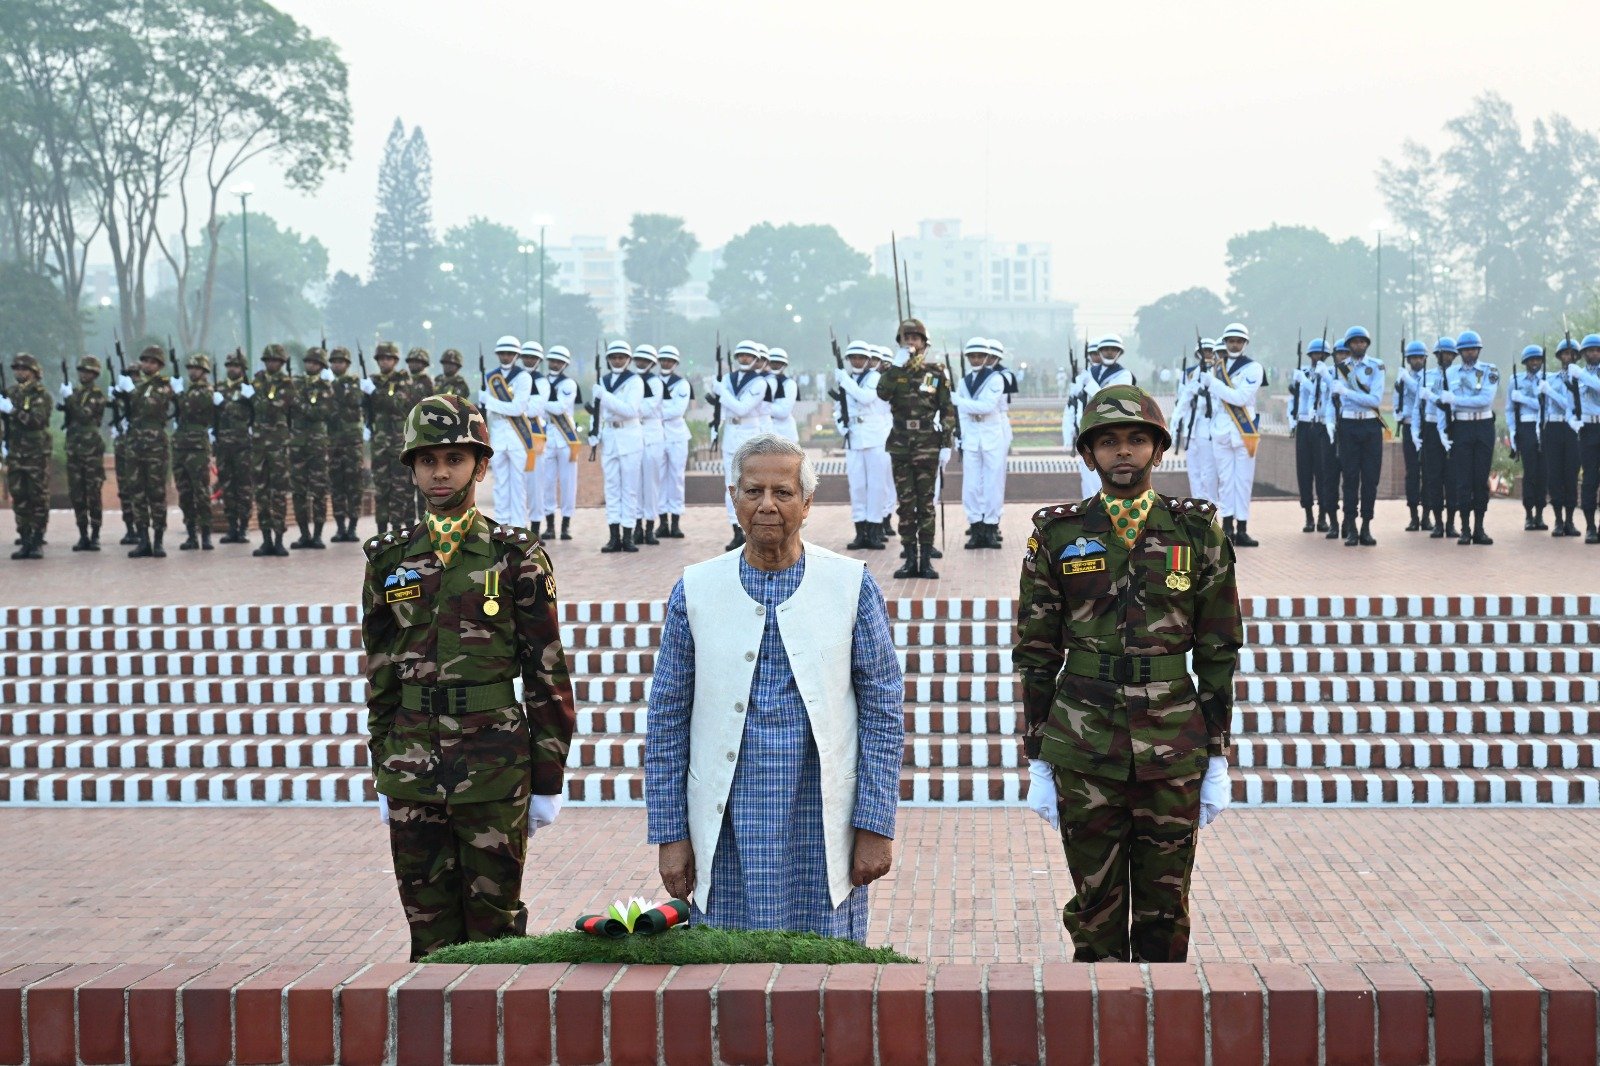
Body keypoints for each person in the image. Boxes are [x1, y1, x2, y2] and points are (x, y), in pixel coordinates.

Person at [645, 433, 903, 941]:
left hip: (823, 818)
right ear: (732, 499)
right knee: (730, 981)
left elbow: (883, 708)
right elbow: (667, 717)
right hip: (727, 822)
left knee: (824, 981)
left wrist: (876, 825)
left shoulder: (851, 584)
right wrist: (670, 834)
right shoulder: (696, 589)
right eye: (752, 491)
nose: (767, 505)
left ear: (807, 503)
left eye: (782, 493)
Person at [1014, 384, 1241, 962]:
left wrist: (1217, 755)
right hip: (1082, 741)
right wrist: (1039, 755)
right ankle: (1099, 1033)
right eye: (1108, 441)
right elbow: (1036, 652)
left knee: (1166, 912)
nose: (1123, 452)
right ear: (1088, 453)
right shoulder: (1058, 533)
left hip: (1175, 741)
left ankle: (1161, 1038)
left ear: (1158, 450)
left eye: (1137, 440)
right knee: (1095, 911)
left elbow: (1219, 648)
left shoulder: (1197, 531)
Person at [362, 394, 576, 962]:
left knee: (496, 934)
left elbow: (547, 673)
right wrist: (382, 764)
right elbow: (380, 672)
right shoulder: (389, 559)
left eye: (454, 458)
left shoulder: (515, 555)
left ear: (480, 466)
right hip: (410, 766)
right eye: (427, 459)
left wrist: (547, 779)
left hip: (493, 768)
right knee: (427, 934)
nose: (440, 472)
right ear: (410, 466)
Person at [877, 318, 957, 579]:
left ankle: (926, 560)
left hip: (927, 445)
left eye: (915, 338)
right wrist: (897, 364)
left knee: (926, 504)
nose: (911, 342)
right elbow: (882, 392)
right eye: (906, 338)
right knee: (905, 504)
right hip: (900, 445)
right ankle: (910, 558)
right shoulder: (894, 371)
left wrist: (946, 443)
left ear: (924, 344)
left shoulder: (934, 373)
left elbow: (947, 410)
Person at [1194, 323, 1262, 547]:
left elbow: (1241, 398)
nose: (1234, 344)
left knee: (1243, 481)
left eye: (1239, 340)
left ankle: (1242, 528)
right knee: (1225, 482)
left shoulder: (1253, 368)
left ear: (1245, 343)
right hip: (1221, 431)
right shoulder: (1215, 368)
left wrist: (1212, 383)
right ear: (1225, 342)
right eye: (1231, 340)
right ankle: (1228, 527)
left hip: (1244, 432)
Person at [115, 344, 176, 559]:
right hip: (134, 445)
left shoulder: (164, 385)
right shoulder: (136, 384)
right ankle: (143, 539)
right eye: (144, 360)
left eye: (151, 361)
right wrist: (119, 394)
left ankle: (158, 540)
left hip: (155, 446)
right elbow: (126, 411)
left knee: (156, 493)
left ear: (159, 365)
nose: (147, 364)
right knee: (137, 493)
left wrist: (130, 391)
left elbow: (154, 405)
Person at [1440, 329, 1498, 545]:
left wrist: (1455, 399)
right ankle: (1464, 528)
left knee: (1480, 479)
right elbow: (1443, 407)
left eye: (1473, 349)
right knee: (1462, 480)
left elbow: (1485, 399)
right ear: (1459, 352)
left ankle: (1479, 528)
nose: (1469, 353)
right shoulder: (1450, 374)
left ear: (1479, 350)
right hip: (1461, 426)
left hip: (1483, 425)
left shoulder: (1490, 370)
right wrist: (1442, 430)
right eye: (1465, 350)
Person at [710, 341, 768, 549]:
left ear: (754, 359)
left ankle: (749, 529)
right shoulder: (727, 379)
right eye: (740, 355)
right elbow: (726, 409)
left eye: (747, 355)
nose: (744, 359)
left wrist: (722, 393)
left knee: (750, 485)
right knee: (731, 485)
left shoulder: (759, 383)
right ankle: (735, 528)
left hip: (748, 434)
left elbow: (742, 409)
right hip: (731, 434)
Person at [953, 336, 1007, 549]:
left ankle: (991, 527)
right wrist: (961, 435)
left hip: (991, 434)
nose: (976, 359)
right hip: (972, 436)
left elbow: (986, 406)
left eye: (980, 355)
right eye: (972, 356)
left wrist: (960, 402)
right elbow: (963, 414)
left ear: (987, 357)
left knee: (993, 483)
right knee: (971, 485)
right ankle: (975, 527)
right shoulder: (963, 381)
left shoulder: (995, 378)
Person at [1332, 326, 1384, 546]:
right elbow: (1341, 401)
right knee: (1350, 478)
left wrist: (1347, 393)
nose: (1358, 345)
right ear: (1349, 345)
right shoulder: (1340, 368)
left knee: (1370, 479)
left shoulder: (1376, 366)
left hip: (1371, 426)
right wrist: (1353, 397)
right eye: (1354, 342)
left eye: (1362, 342)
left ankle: (1366, 526)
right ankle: (1351, 526)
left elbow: (1375, 400)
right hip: (1349, 425)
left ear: (1367, 344)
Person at [591, 340, 645, 553]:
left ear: (628, 360)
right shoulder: (603, 381)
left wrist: (604, 396)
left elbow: (630, 410)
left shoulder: (634, 381)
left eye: (621, 357)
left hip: (629, 435)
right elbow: (599, 411)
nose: (617, 360)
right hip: (611, 436)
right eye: (613, 357)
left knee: (629, 489)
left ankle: (628, 535)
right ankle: (614, 535)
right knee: (611, 488)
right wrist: (593, 431)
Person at [834, 341, 888, 551]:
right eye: (853, 357)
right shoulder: (845, 380)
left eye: (860, 357)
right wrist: (841, 425)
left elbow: (865, 398)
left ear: (867, 360)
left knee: (875, 486)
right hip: (854, 437)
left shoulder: (874, 377)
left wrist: (845, 380)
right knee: (856, 486)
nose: (857, 361)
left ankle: (874, 531)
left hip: (874, 437)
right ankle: (860, 531)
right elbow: (839, 407)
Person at [478, 336, 533, 535]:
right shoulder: (490, 377)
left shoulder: (523, 377)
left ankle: (518, 527)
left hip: (517, 437)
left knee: (518, 483)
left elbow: (518, 408)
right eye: (502, 353)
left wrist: (489, 402)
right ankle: (501, 527)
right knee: (500, 483)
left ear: (516, 355)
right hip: (499, 435)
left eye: (510, 353)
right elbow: (491, 414)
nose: (506, 356)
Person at [2, 353, 53, 559]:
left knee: (37, 497)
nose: (19, 372)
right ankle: (24, 539)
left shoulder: (40, 395)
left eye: (24, 369)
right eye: (16, 368)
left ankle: (36, 539)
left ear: (33, 372)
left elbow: (37, 421)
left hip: (35, 453)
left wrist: (12, 411)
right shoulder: (11, 393)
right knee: (19, 497)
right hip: (15, 452)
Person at [248, 344, 295, 558]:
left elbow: (275, 406)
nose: (271, 364)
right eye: (268, 360)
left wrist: (258, 397)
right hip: (259, 445)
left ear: (282, 363)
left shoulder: (286, 383)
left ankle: (278, 539)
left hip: (277, 444)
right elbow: (254, 407)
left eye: (275, 360)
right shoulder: (256, 381)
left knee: (278, 493)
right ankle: (266, 539)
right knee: (261, 492)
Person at [362, 341, 412, 537]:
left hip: (398, 441)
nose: (384, 362)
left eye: (388, 358)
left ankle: (398, 531)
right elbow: (367, 408)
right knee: (381, 488)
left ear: (395, 360)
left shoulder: (403, 380)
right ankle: (381, 532)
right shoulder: (372, 380)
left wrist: (373, 392)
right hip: (380, 442)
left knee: (399, 488)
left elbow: (396, 405)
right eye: (381, 358)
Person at [171, 353, 221, 551]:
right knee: (185, 493)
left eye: (196, 368)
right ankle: (191, 534)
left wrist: (178, 393)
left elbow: (189, 407)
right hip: (181, 445)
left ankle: (206, 535)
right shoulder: (188, 390)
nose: (192, 371)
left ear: (204, 371)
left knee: (201, 492)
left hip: (197, 447)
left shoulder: (206, 391)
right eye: (190, 368)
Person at [59, 355, 109, 552]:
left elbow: (84, 414)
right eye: (81, 371)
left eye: (87, 371)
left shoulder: (97, 395)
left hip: (91, 451)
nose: (83, 374)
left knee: (93, 493)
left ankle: (95, 534)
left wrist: (69, 398)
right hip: (74, 449)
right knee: (77, 495)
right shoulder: (77, 394)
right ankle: (82, 534)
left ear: (94, 374)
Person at [288, 347, 335, 550]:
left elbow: (321, 413)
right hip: (297, 444)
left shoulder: (326, 387)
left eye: (315, 363)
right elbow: (287, 410)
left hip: (316, 446)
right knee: (298, 491)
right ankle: (303, 534)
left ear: (321, 366)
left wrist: (299, 403)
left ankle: (317, 535)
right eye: (308, 362)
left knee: (318, 490)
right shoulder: (294, 384)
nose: (310, 365)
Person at [1288, 338, 1334, 532]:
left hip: (1320, 426)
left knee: (1322, 471)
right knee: (1304, 471)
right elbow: (1293, 400)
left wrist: (1304, 381)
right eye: (1315, 354)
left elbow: (1320, 393)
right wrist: (1292, 420)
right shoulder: (1302, 373)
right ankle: (1308, 515)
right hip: (1304, 426)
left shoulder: (1329, 374)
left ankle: (1323, 515)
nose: (1318, 357)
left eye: (1322, 354)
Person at [538, 346, 581, 541]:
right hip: (547, 436)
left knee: (568, 482)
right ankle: (549, 526)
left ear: (565, 364)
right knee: (546, 483)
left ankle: (565, 525)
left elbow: (560, 407)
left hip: (566, 437)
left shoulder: (569, 384)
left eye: (559, 361)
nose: (555, 364)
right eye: (552, 361)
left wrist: (539, 402)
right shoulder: (541, 381)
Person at [1417, 338, 1458, 540]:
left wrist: (1431, 397)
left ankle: (1451, 523)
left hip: (1452, 428)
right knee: (1433, 477)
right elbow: (1418, 408)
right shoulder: (1426, 376)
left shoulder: (1458, 376)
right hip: (1432, 428)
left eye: (1450, 354)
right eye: (1442, 354)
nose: (1446, 357)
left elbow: (1446, 402)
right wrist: (1417, 432)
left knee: (1452, 478)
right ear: (1436, 357)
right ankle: (1438, 522)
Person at [1541, 338, 1582, 537]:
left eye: (1572, 354)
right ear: (1559, 357)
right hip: (1553, 428)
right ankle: (1558, 519)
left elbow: (1571, 405)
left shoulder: (1580, 378)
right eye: (1565, 354)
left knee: (1571, 474)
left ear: (1576, 356)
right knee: (1554, 474)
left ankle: (1570, 520)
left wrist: (1550, 393)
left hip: (1572, 428)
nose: (1568, 357)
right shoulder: (1550, 378)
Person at [215, 351, 256, 545]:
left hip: (242, 445)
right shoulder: (220, 387)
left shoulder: (248, 389)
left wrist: (224, 404)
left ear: (243, 369)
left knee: (244, 487)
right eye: (229, 365)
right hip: (223, 445)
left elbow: (244, 414)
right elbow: (214, 414)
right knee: (227, 487)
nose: (232, 369)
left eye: (236, 366)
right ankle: (231, 526)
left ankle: (244, 527)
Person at [327, 347, 367, 543]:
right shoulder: (326, 383)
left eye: (340, 362)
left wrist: (335, 386)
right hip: (333, 442)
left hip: (352, 442)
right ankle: (340, 527)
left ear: (347, 364)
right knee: (336, 485)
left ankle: (352, 527)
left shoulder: (352, 383)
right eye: (333, 362)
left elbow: (353, 401)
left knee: (354, 485)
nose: (336, 365)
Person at [1508, 345, 1549, 531]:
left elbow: (1544, 406)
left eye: (1538, 359)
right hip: (1525, 427)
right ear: (1525, 362)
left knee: (1543, 473)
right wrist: (1512, 431)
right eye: (1531, 360)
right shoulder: (1515, 381)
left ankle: (1540, 514)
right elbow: (1509, 409)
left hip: (1543, 426)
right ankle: (1529, 514)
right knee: (1530, 472)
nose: (1535, 363)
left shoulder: (1547, 380)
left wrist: (1524, 399)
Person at [655, 345, 692, 538]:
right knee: (659, 479)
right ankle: (662, 521)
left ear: (675, 363)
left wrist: (656, 412)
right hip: (658, 435)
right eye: (663, 360)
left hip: (677, 435)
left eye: (670, 360)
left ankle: (675, 521)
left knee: (676, 478)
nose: (666, 363)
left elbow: (677, 410)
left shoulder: (682, 384)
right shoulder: (652, 382)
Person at [1394, 341, 1430, 532]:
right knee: (1412, 473)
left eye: (1420, 357)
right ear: (1408, 360)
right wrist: (1397, 413)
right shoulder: (1403, 377)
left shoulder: (1429, 377)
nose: (1417, 360)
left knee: (1429, 472)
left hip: (1427, 428)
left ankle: (1427, 515)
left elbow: (1422, 394)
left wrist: (1407, 380)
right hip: (1409, 427)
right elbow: (1396, 400)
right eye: (1414, 357)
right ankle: (1414, 515)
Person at [1178, 339, 1218, 506]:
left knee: (1209, 472)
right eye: (1203, 351)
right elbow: (1181, 398)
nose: (1206, 354)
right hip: (1191, 427)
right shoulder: (1188, 373)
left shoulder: (1217, 372)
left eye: (1209, 351)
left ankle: (1211, 507)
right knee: (1194, 472)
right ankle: (1198, 508)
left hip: (1208, 427)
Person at [631, 345, 662, 545]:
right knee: (633, 483)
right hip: (634, 433)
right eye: (638, 359)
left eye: (645, 360)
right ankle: (635, 526)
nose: (641, 363)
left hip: (651, 433)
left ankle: (649, 526)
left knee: (650, 484)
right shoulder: (631, 382)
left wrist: (629, 408)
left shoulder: (655, 383)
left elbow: (648, 408)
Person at [517, 341, 549, 534]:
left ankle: (535, 528)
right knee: (518, 483)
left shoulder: (541, 381)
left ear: (539, 360)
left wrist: (517, 405)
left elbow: (533, 408)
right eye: (526, 357)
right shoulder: (515, 378)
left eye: (533, 357)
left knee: (536, 484)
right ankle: (520, 526)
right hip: (516, 435)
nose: (529, 360)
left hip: (535, 435)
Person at [1571, 335, 1600, 543]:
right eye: (1590, 351)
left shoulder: (1580, 374)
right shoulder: (1575, 375)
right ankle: (1590, 526)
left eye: (1598, 350)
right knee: (1589, 478)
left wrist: (1581, 375)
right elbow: (1570, 403)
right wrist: (1572, 419)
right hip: (1588, 429)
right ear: (1583, 354)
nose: (1594, 354)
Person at [766, 348, 800, 441]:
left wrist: (760, 406)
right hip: (766, 431)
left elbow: (783, 412)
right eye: (772, 362)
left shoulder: (790, 384)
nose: (775, 365)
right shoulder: (762, 381)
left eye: (778, 363)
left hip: (784, 432)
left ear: (784, 365)